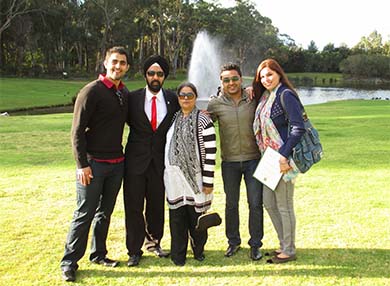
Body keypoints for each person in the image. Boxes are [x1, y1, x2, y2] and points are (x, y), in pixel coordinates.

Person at [60, 46, 130, 282]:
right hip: (93, 165)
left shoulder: (123, 93)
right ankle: (69, 262)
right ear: (105, 63)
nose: (117, 66)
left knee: (104, 213)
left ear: (127, 67)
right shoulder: (91, 91)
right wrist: (82, 165)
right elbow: (77, 131)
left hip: (116, 164)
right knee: (84, 213)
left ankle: (98, 254)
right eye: (114, 62)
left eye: (122, 63)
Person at [124, 55, 180, 267]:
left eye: (159, 74)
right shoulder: (133, 98)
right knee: (134, 206)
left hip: (160, 163)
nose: (155, 77)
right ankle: (134, 250)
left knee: (156, 205)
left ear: (164, 76)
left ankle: (154, 243)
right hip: (135, 163)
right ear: (145, 75)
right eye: (151, 73)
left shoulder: (172, 99)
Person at [207, 63, 264, 261]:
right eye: (226, 80)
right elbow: (204, 123)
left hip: (254, 161)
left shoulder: (253, 97)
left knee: (255, 204)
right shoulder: (215, 103)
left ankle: (255, 244)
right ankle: (233, 242)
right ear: (221, 82)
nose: (231, 83)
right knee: (231, 204)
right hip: (229, 163)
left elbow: (271, 86)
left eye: (234, 79)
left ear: (241, 79)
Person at [252, 58, 305, 263]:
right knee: (269, 203)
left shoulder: (286, 95)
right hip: (268, 158)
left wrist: (284, 155)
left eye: (270, 75)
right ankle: (284, 243)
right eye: (262, 76)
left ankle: (289, 250)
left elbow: (297, 127)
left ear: (279, 74)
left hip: (283, 158)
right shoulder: (267, 96)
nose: (266, 79)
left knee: (284, 206)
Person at [164, 82, 217, 266]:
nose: (185, 98)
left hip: (197, 179)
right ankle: (178, 255)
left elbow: (210, 153)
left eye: (190, 95)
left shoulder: (203, 119)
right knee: (177, 219)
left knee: (197, 219)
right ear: (178, 98)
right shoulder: (174, 118)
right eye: (182, 95)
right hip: (175, 180)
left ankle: (198, 250)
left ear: (195, 97)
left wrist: (208, 181)